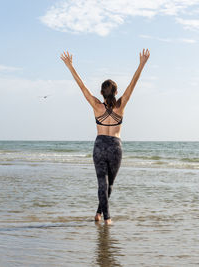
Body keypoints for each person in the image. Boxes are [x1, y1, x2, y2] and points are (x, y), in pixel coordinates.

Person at [61, 49, 150, 225]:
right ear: (116, 92)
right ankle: (107, 217)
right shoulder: (121, 105)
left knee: (102, 183)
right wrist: (141, 64)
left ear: (102, 93)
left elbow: (82, 87)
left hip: (100, 146)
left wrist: (70, 66)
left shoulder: (96, 106)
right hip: (116, 147)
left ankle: (100, 214)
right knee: (108, 185)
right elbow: (133, 83)